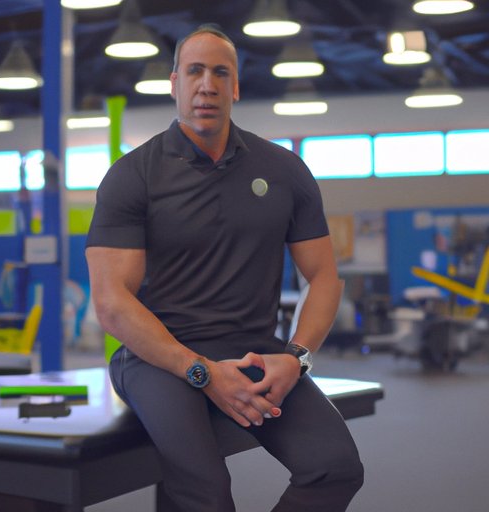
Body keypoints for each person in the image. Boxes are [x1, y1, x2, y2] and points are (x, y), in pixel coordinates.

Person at [86, 25, 363, 512]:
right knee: (206, 493)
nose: (207, 85)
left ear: (235, 87)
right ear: (175, 83)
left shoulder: (284, 170)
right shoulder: (133, 176)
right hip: (157, 358)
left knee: (335, 467)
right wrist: (201, 372)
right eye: (194, 71)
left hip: (255, 351)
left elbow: (323, 277)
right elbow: (112, 303)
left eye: (221, 73)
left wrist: (296, 357)